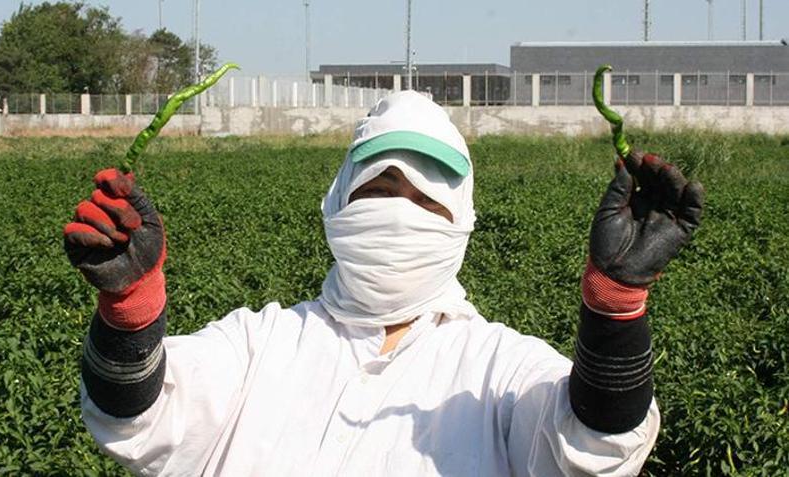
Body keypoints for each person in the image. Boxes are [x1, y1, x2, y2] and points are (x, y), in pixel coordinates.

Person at [64, 91, 704, 476]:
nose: (399, 204)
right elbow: (138, 418)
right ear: (337, 203)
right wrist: (129, 308)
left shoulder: (501, 369)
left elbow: (591, 448)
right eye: (378, 187)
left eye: (426, 197)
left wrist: (616, 307)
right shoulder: (258, 345)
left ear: (462, 219)